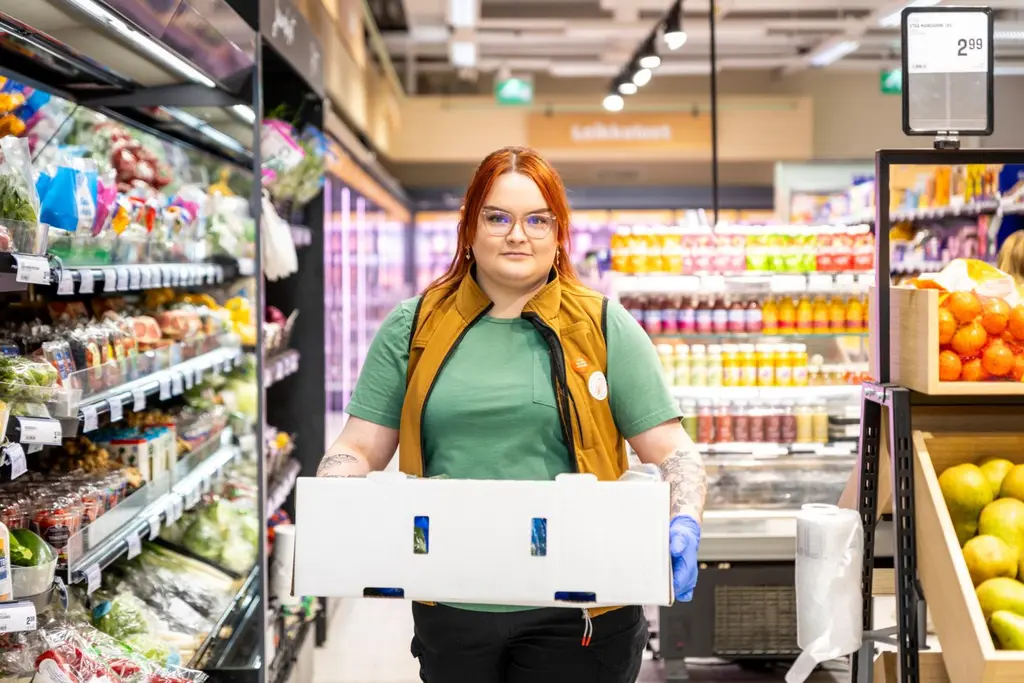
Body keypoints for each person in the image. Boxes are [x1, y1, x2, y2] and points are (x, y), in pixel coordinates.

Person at [317, 146, 707, 683]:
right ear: (469, 228)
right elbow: (359, 445)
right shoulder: (414, 327)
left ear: (558, 232)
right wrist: (332, 494)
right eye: (497, 217)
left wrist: (684, 516)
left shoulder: (602, 326)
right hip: (450, 599)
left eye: (537, 220)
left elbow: (671, 449)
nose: (517, 235)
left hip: (581, 609)